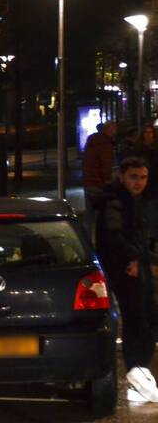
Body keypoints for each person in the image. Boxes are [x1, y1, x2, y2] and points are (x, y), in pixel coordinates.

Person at [96, 156, 158, 403]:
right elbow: (113, 237)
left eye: (143, 177)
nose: (138, 182)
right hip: (125, 269)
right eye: (134, 177)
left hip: (134, 266)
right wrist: (134, 259)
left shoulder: (132, 201)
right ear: (122, 176)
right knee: (139, 319)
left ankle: (139, 374)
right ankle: (137, 371)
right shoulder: (116, 203)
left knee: (145, 317)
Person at [82, 121, 116, 241]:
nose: (115, 131)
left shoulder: (91, 141)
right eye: (113, 128)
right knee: (103, 216)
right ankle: (100, 242)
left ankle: (86, 243)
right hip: (99, 184)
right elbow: (106, 165)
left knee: (89, 216)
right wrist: (107, 180)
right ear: (107, 129)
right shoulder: (105, 144)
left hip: (88, 183)